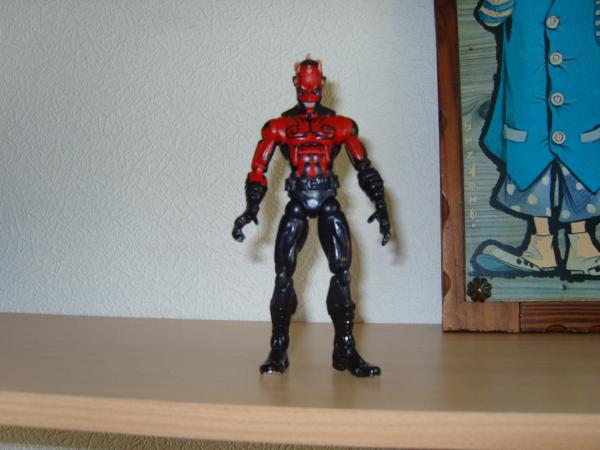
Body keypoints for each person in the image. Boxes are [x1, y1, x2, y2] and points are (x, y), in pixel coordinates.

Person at [232, 57, 390, 377]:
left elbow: (364, 166)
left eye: (314, 88)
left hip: (328, 199)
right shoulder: (279, 126)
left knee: (342, 273)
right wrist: (251, 207)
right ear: (295, 83)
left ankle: (345, 348)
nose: (308, 94)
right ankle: (279, 347)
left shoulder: (341, 125)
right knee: (283, 275)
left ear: (323, 84)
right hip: (297, 202)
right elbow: (258, 169)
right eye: (303, 88)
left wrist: (380, 204)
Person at [472, 0, 600, 278]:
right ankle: (540, 248)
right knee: (532, 173)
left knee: (580, 173)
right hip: (529, 106)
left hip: (581, 103)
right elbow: (489, 16)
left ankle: (583, 248)